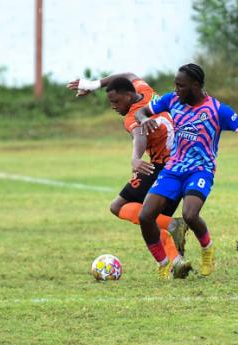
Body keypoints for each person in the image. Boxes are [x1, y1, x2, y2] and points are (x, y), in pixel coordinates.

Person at [135, 63, 238, 279]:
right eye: (175, 85)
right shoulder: (171, 100)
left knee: (190, 214)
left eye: (180, 86)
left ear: (195, 85)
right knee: (146, 216)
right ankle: (164, 263)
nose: (176, 90)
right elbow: (141, 111)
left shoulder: (217, 110)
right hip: (173, 169)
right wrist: (145, 120)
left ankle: (207, 249)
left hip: (201, 170)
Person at [67, 73, 192, 279]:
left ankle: (171, 228)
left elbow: (139, 135)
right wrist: (93, 84)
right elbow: (128, 74)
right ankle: (174, 258)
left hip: (163, 168)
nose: (113, 106)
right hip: (181, 164)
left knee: (119, 208)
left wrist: (135, 158)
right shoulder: (145, 90)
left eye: (115, 101)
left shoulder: (132, 117)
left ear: (128, 95)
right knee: (145, 216)